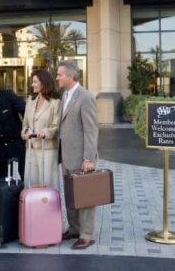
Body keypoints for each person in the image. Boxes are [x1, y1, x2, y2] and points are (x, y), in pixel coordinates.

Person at [56, 60, 99, 250]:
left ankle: (87, 235)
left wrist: (88, 158)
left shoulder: (85, 97)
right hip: (66, 156)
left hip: (82, 158)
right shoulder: (64, 95)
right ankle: (74, 229)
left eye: (59, 75)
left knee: (85, 197)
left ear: (70, 77)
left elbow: (91, 130)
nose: (57, 77)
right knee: (71, 196)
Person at [21, 69, 61, 189]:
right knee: (31, 183)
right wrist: (25, 132)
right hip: (30, 148)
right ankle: (32, 207)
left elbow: (57, 126)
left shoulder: (56, 102)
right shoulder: (30, 101)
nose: (32, 84)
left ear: (44, 83)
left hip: (47, 149)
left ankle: (49, 207)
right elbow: (25, 124)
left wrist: (45, 132)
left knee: (47, 183)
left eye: (35, 82)